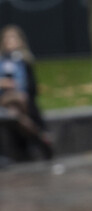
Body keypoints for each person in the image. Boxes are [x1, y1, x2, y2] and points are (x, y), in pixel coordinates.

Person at [0, 25, 53, 162]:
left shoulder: (25, 61)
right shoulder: (2, 61)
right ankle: (41, 138)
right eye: (8, 39)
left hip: (22, 102)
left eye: (13, 38)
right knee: (14, 110)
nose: (10, 42)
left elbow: (32, 87)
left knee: (17, 111)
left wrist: (19, 89)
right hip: (5, 101)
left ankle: (34, 141)